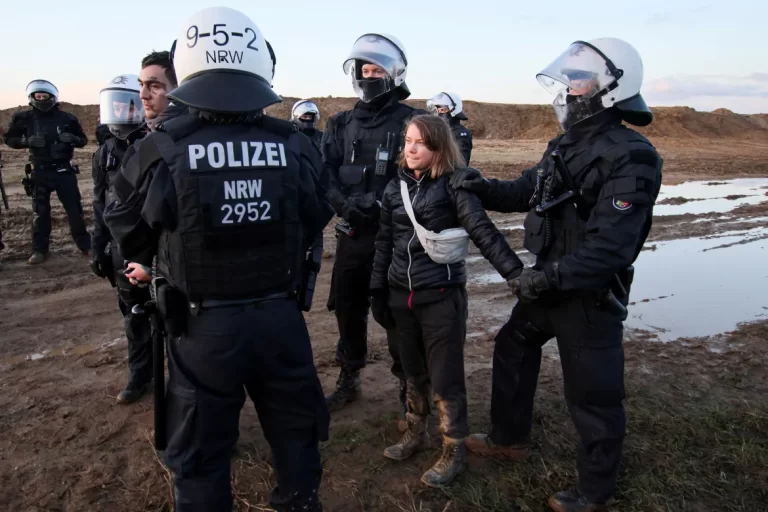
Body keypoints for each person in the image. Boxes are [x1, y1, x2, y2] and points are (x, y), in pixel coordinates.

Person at [104, 7, 332, 511]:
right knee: (296, 438)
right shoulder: (293, 143)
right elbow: (317, 212)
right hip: (280, 318)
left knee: (202, 458)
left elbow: (124, 229)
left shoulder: (162, 147)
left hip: (203, 327)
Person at [450, 38, 663, 512]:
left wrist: (546, 280)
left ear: (610, 89)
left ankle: (595, 491)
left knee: (593, 394)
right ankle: (509, 438)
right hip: (547, 281)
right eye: (568, 80)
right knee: (512, 346)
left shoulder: (634, 156)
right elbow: (528, 190)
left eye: (579, 80)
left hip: (588, 295)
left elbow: (611, 247)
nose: (568, 90)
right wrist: (483, 186)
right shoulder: (565, 144)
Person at [371, 114, 523, 487]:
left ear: (438, 147)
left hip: (440, 296)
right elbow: (384, 243)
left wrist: (517, 274)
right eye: (407, 140)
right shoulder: (394, 189)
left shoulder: (455, 186)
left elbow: (484, 233)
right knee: (412, 371)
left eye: (420, 142)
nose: (410, 148)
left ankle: (454, 447)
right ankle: (416, 431)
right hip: (399, 297)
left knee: (446, 377)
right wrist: (377, 288)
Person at [322, 32, 427, 421]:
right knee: (347, 307)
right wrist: (344, 205)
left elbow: (417, 172)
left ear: (393, 74)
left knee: (396, 310)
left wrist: (378, 203)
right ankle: (350, 376)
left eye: (377, 70)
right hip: (351, 232)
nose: (369, 76)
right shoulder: (340, 123)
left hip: (395, 237)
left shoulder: (412, 121)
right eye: (364, 70)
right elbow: (324, 172)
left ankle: (407, 384)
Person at [90, 74, 152, 404]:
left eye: (127, 104)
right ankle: (141, 378)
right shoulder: (104, 154)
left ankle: (185, 385)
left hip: (155, 247)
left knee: (173, 317)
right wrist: (96, 247)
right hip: (120, 249)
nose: (121, 112)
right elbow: (100, 205)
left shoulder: (156, 144)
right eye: (115, 105)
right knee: (133, 318)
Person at [3, 79, 90, 264]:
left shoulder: (67, 118)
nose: (41, 99)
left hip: (64, 171)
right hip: (39, 172)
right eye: (38, 96)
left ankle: (85, 246)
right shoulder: (24, 118)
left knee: (75, 211)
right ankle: (39, 251)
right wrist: (27, 142)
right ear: (32, 97)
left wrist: (73, 138)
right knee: (40, 214)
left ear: (53, 97)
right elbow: (9, 138)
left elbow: (84, 140)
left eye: (44, 96)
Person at [426, 92, 472, 165]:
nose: (437, 113)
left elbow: (460, 163)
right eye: (436, 109)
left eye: (442, 110)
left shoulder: (460, 134)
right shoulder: (441, 131)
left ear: (453, 111)